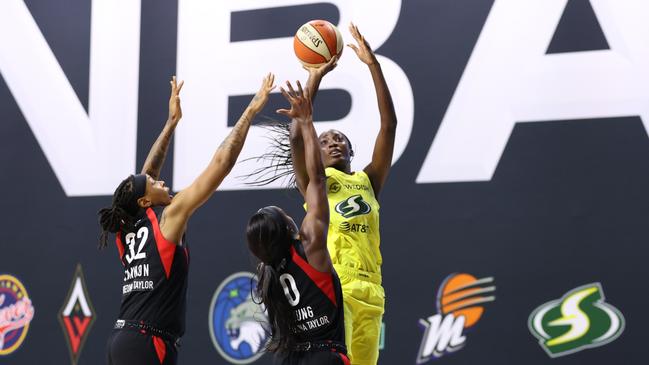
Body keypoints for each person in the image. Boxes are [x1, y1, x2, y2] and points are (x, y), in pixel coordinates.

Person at [98, 74, 276, 365]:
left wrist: (171, 124)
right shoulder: (170, 216)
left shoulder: (126, 230)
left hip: (123, 339)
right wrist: (251, 111)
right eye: (155, 185)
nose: (161, 181)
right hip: (147, 343)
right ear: (144, 202)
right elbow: (221, 163)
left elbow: (147, 175)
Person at [289, 23, 397, 365]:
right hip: (337, 286)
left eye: (340, 140)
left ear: (351, 152)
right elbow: (296, 136)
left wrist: (373, 65)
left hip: (372, 290)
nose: (333, 142)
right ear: (316, 154)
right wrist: (315, 77)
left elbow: (389, 125)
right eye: (325, 140)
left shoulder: (369, 180)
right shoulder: (314, 184)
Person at [246, 81, 349, 365]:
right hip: (325, 355)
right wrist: (306, 122)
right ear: (288, 227)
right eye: (281, 211)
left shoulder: (268, 275)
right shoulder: (311, 245)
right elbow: (317, 179)